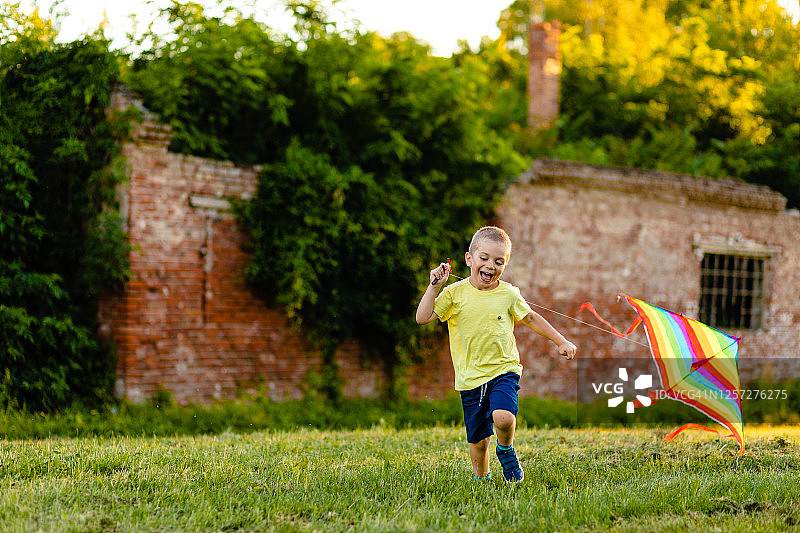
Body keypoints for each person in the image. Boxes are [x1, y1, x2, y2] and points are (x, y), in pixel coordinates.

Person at [416, 226, 576, 482]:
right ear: (469, 259)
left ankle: (506, 449)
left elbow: (532, 318)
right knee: (478, 443)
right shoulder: (454, 294)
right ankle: (483, 480)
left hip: (504, 370)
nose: (491, 265)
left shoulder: (508, 293)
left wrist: (561, 340)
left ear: (506, 264)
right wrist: (434, 286)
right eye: (484, 258)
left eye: (498, 261)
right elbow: (422, 317)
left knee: (503, 417)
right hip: (470, 378)